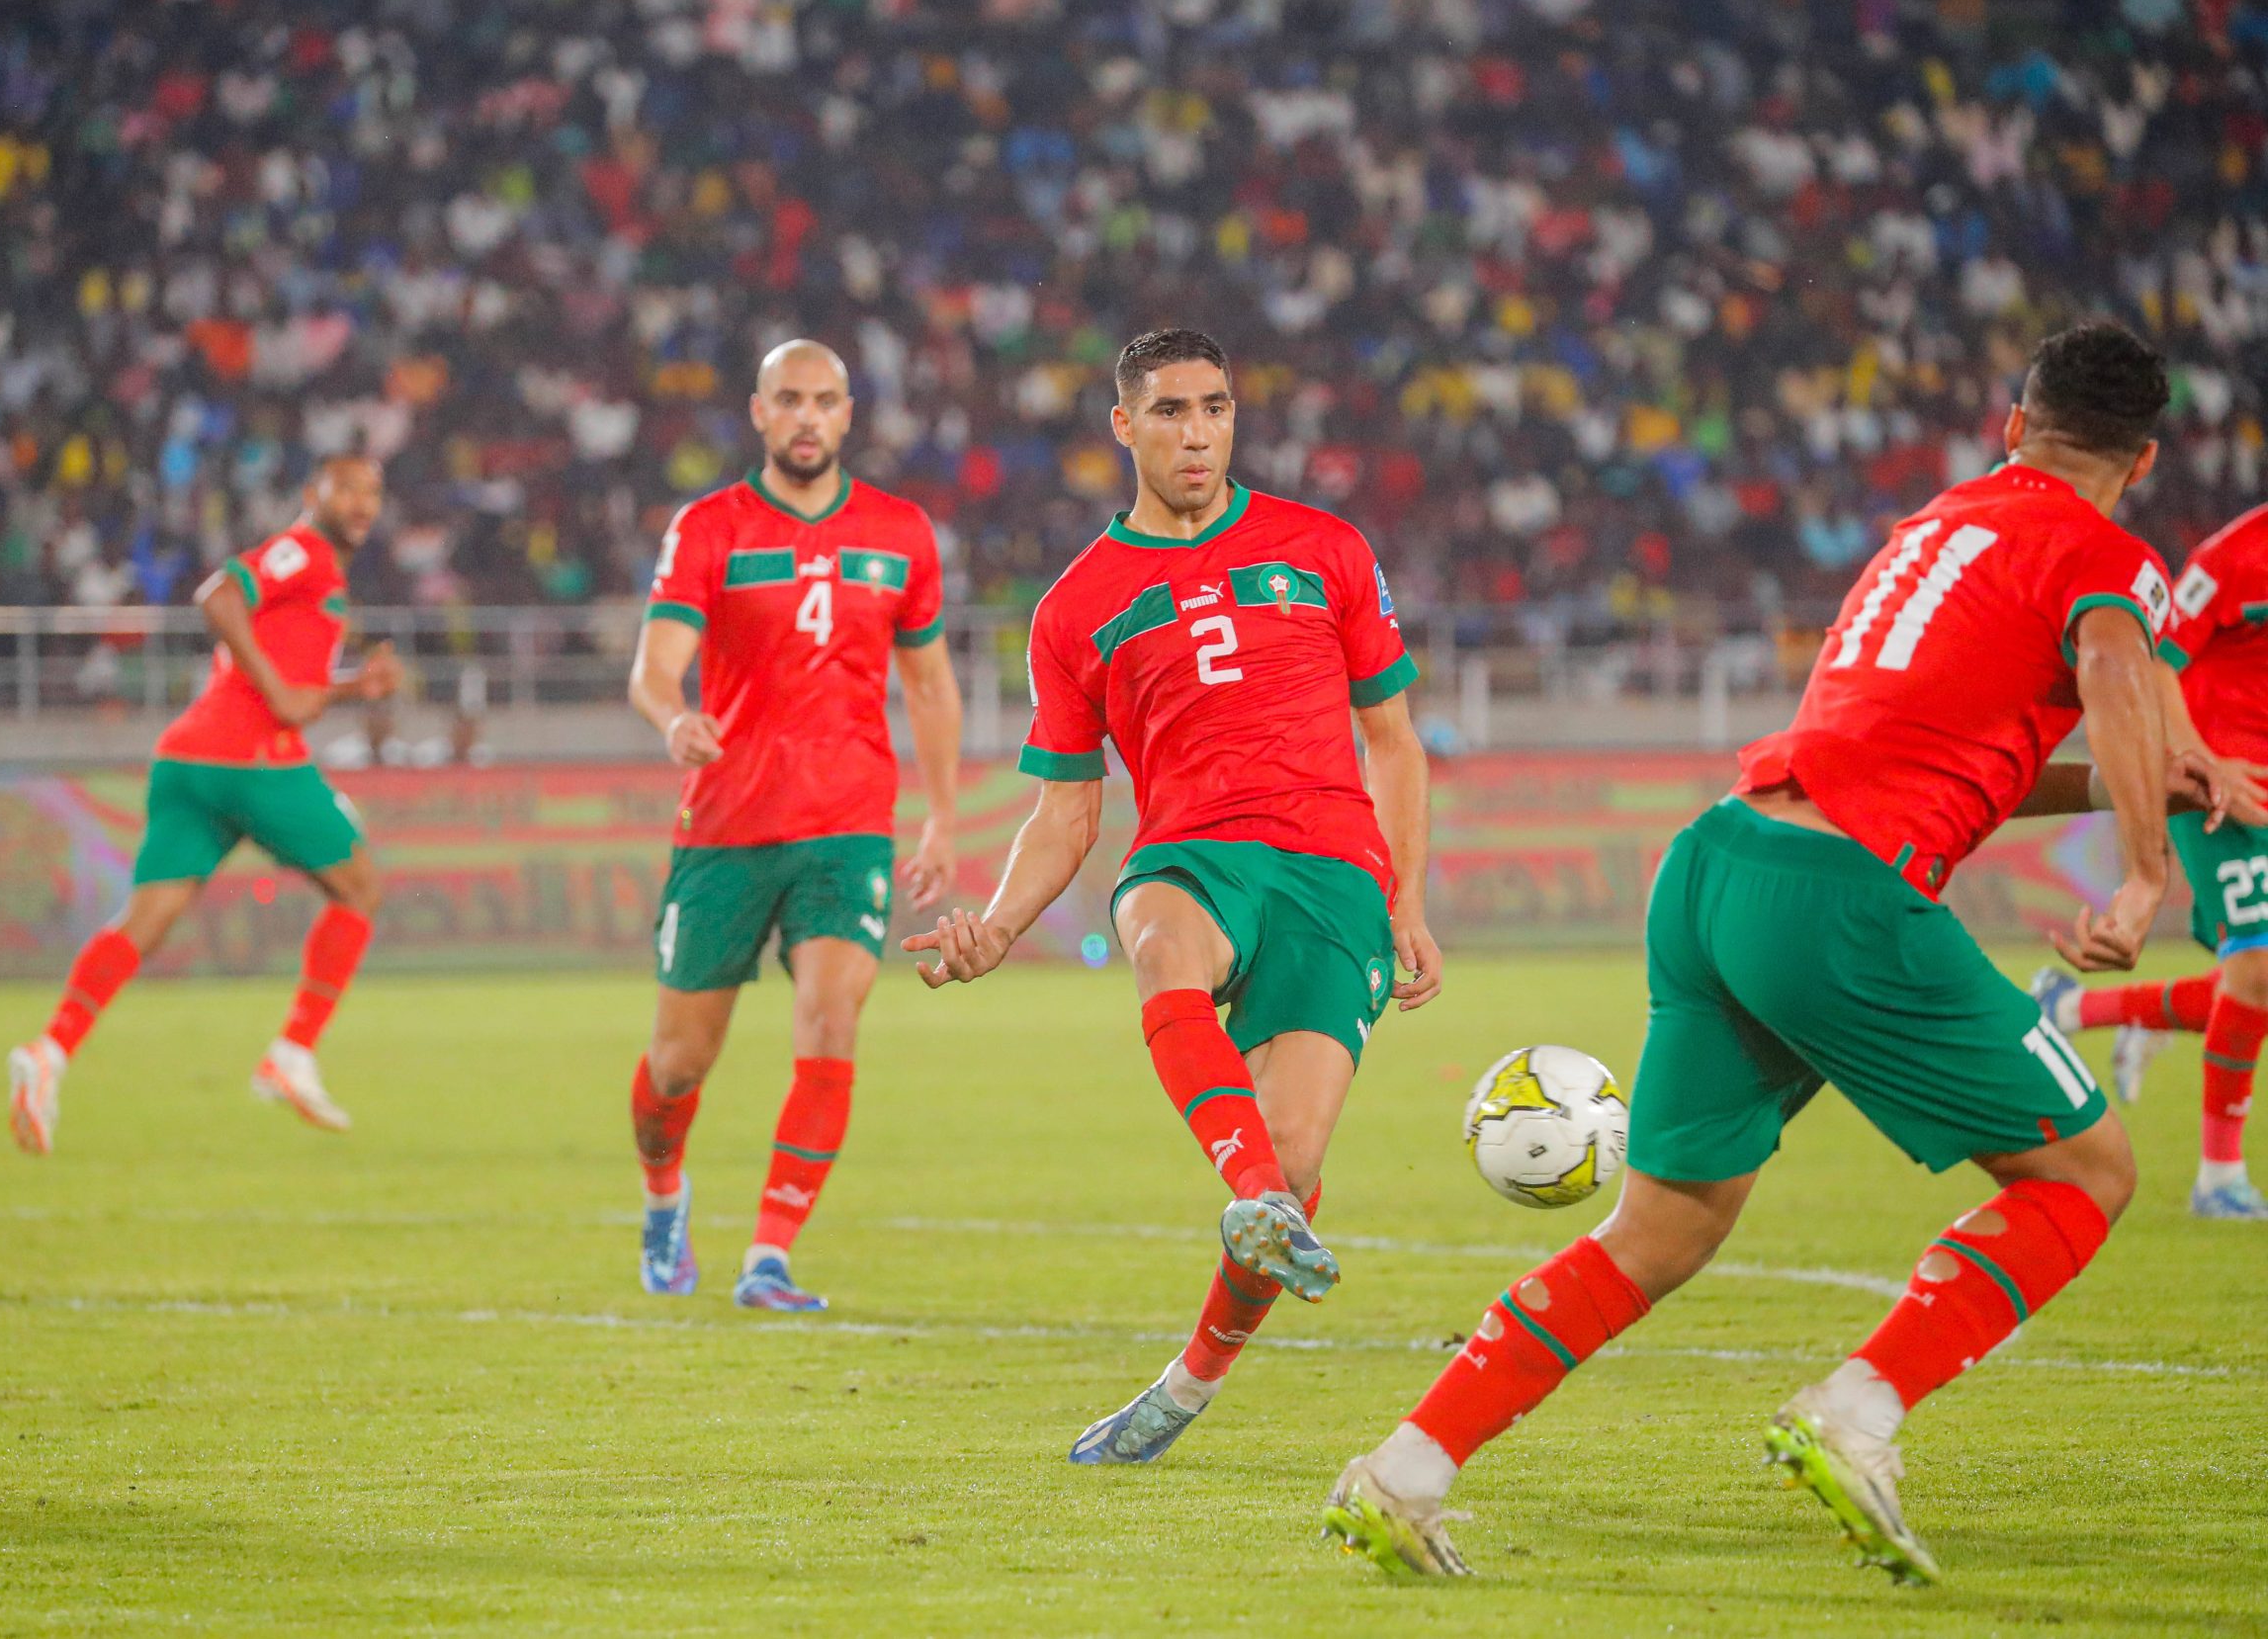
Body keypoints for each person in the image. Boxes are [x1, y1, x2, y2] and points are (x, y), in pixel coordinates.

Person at [1321, 322, 2209, 1584]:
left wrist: (2152, 792)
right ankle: (1860, 1407)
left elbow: (1956, 764)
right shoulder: (2104, 555)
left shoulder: (1941, 527)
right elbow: (2116, 662)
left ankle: (1404, 1472)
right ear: (2145, 458)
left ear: (2013, 426)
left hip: (1719, 863)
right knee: (2087, 1170)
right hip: (1837, 898)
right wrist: (2141, 870)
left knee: (1663, 1227)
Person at [902, 328, 1440, 1463]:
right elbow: (1066, 810)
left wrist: (1410, 900)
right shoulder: (1075, 606)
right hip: (1194, 853)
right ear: (1123, 425)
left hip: (1334, 869)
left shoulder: (1327, 547)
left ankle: (1185, 1388)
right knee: (1154, 935)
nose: (1196, 433)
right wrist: (996, 926)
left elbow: (1392, 742)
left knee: (1295, 1154)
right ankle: (1246, 1189)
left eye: (1214, 407)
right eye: (1169, 412)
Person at [624, 340, 962, 1313]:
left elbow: (930, 683)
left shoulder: (900, 532)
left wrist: (940, 817)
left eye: (824, 401)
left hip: (848, 820)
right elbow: (653, 666)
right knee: (680, 1060)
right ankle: (662, 1192)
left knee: (830, 1018)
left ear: (849, 414)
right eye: (789, 400)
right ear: (759, 412)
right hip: (726, 824)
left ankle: (767, 1256)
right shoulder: (709, 528)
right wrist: (671, 715)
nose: (807, 417)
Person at [6, 458, 400, 1151]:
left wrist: (348, 687)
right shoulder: (303, 549)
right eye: (348, 488)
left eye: (373, 491)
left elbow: (288, 682)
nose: (364, 502)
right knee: (360, 886)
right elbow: (218, 595)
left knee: (146, 919)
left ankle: (49, 1051)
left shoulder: (322, 575)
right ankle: (292, 1053)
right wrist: (286, 694)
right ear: (312, 493)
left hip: (189, 757)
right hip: (250, 758)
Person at [2037, 499, 2268, 1219]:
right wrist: (2208, 762)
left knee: (2252, 983)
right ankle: (2219, 1178)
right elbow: (2159, 664)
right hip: (2220, 782)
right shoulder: (2232, 558)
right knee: (2259, 969)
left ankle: (2072, 1006)